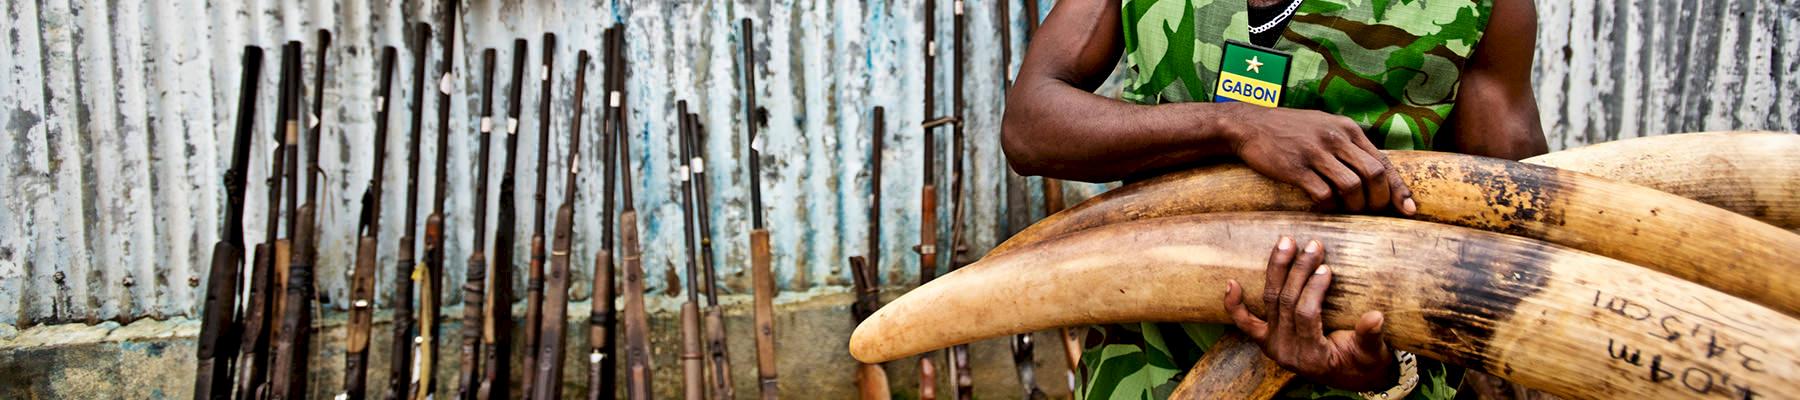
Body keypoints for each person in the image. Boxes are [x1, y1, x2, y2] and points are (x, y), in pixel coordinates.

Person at [1001, 0, 1548, 398]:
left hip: (1359, 369)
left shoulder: (1483, 7)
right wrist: (1231, 125)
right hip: (1146, 368)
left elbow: (1515, 237)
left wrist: (1388, 365)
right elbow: (1031, 127)